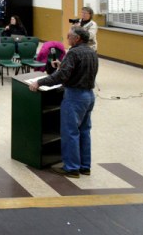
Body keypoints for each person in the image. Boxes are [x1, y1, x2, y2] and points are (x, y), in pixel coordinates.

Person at [29, 27, 98, 178]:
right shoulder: (92, 52)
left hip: (75, 97)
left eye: (69, 36)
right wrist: (62, 66)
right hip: (89, 96)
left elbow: (60, 77)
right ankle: (85, 166)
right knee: (84, 131)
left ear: (77, 38)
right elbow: (82, 71)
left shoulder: (73, 52)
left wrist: (39, 82)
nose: (67, 38)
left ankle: (72, 168)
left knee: (70, 132)